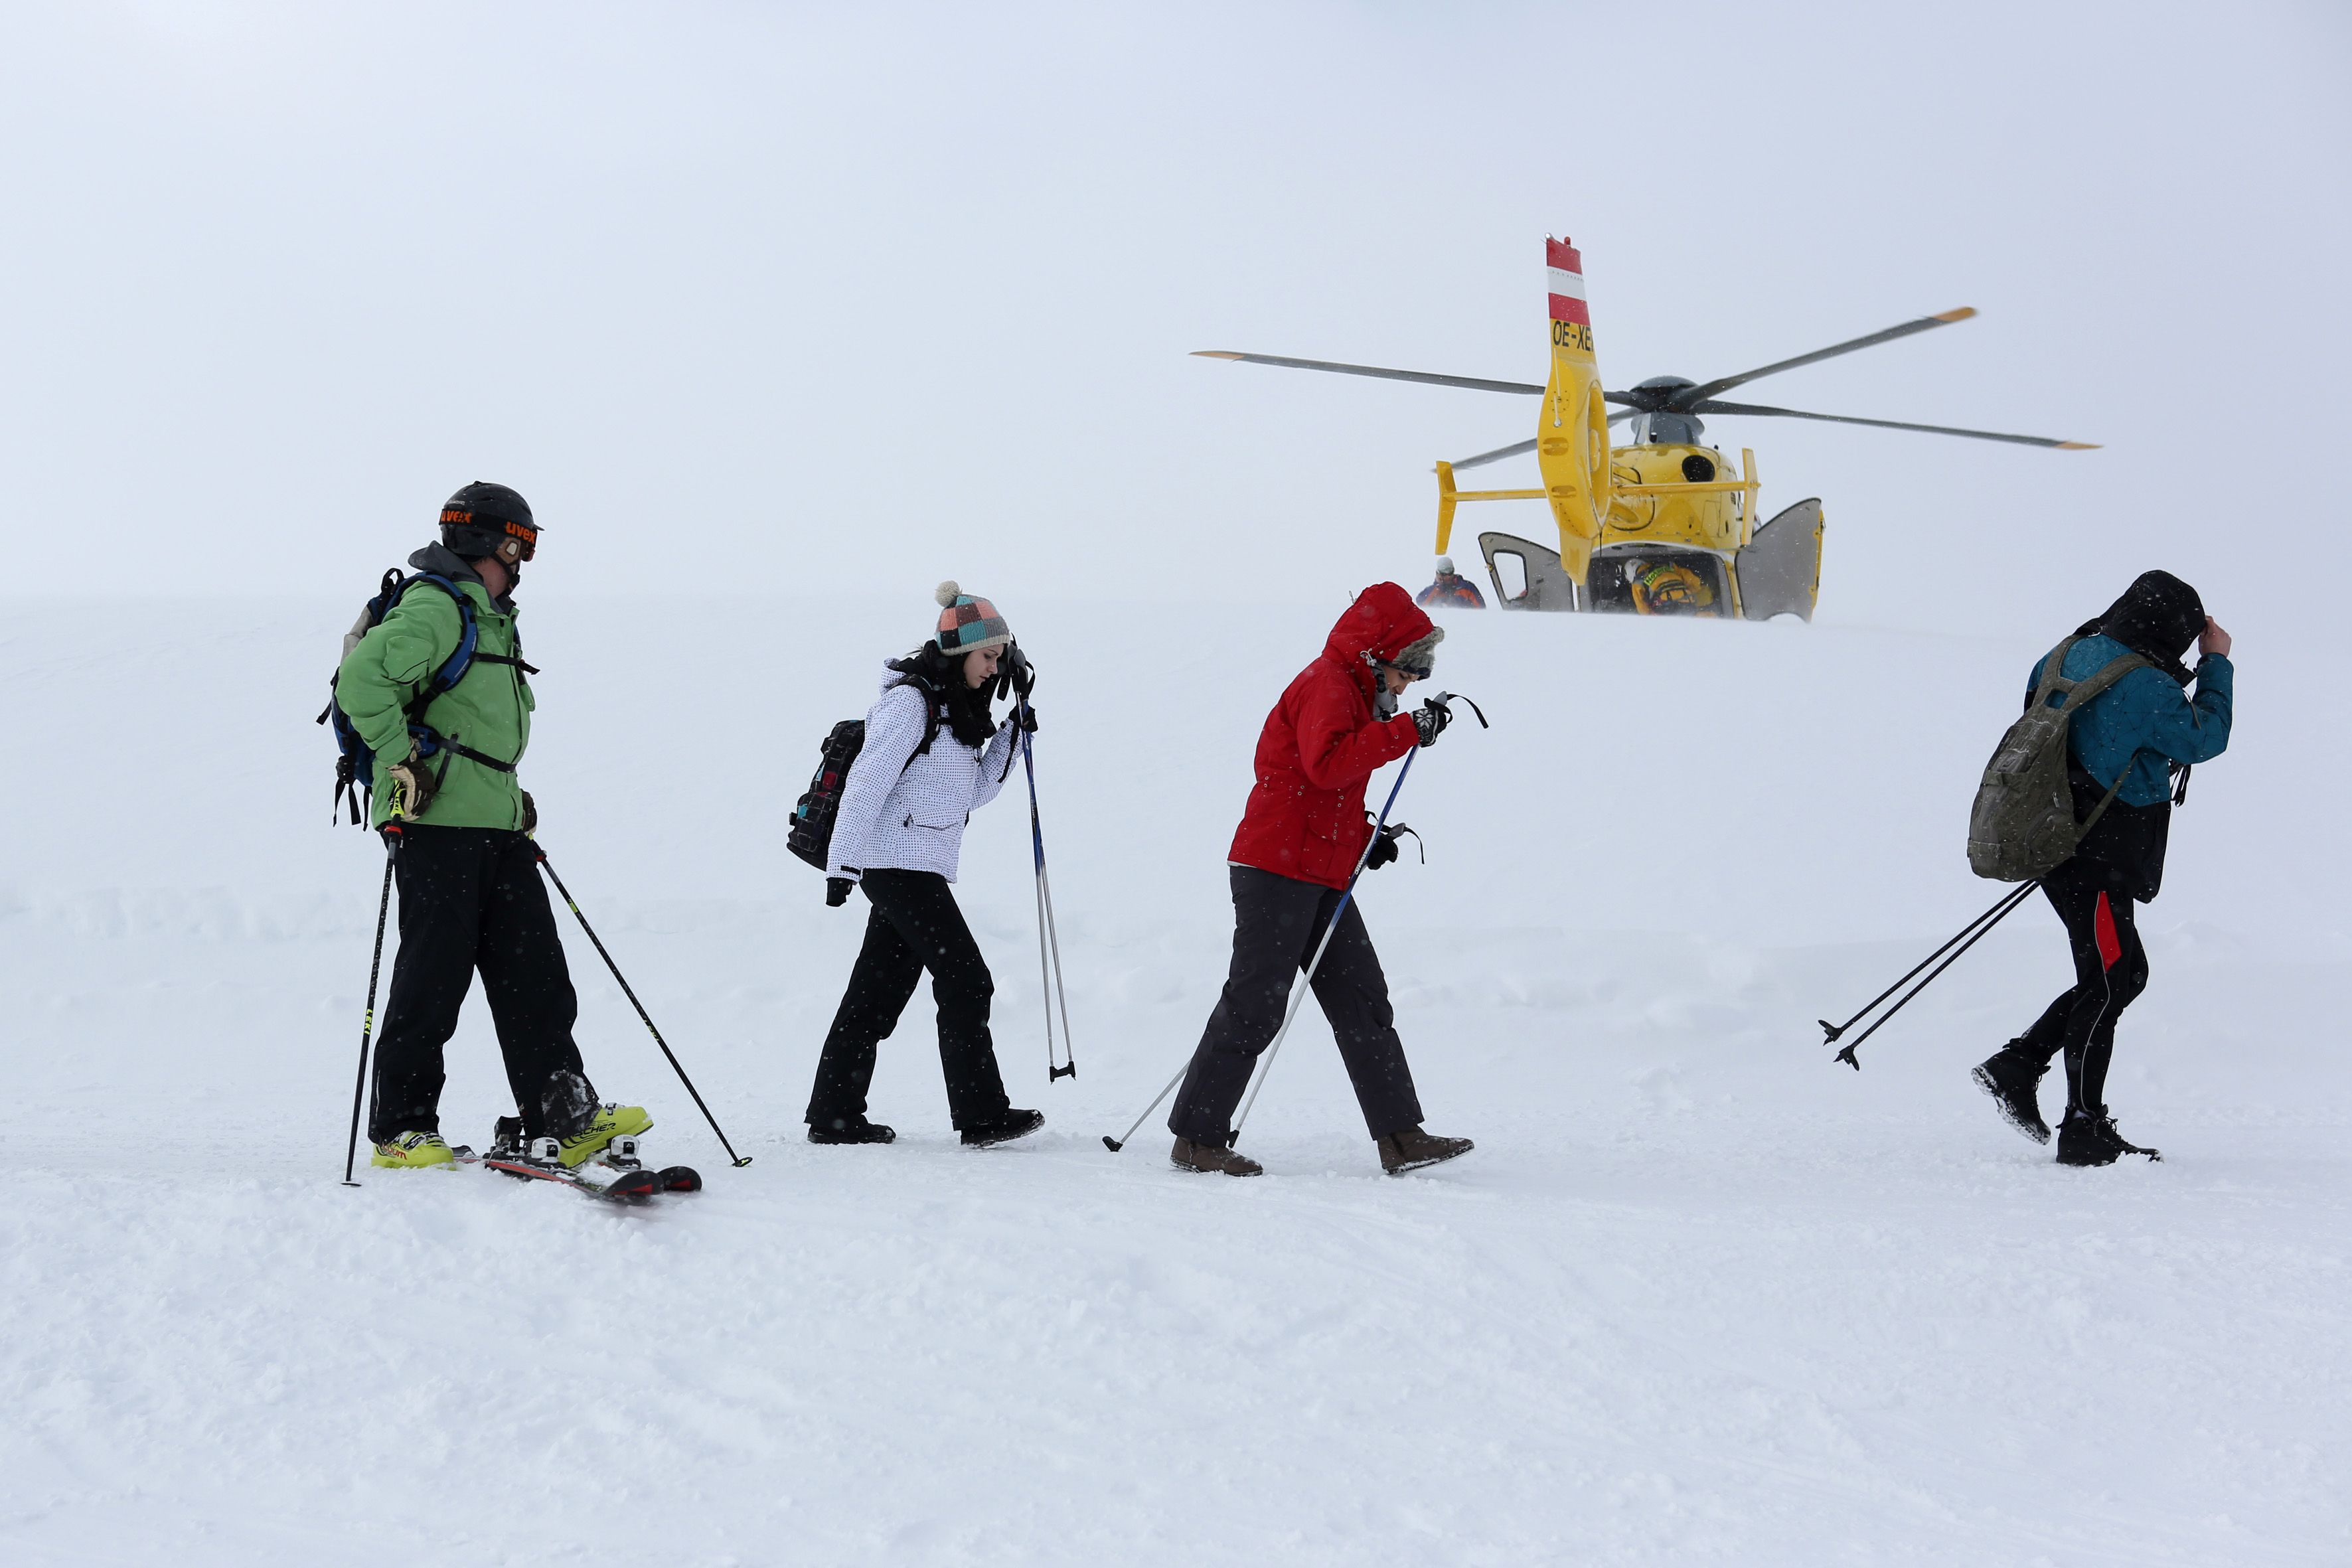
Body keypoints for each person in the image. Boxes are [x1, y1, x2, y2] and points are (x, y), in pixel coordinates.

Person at [335, 482, 648, 1170]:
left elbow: (473, 726)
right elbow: (360, 682)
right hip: (437, 827)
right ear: (487, 541)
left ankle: (561, 1115)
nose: (523, 562)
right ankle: (402, 1127)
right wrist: (398, 759)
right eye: (518, 546)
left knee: (536, 975)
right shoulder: (435, 607)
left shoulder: (491, 616)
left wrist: (509, 793)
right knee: (433, 981)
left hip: (495, 827)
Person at [1166, 583, 1474, 1177]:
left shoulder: (1355, 692)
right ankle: (1197, 1138)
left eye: (1416, 674)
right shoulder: (1328, 684)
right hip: (1274, 870)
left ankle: (1400, 1136)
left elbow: (1321, 791)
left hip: (1320, 870)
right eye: (1405, 671)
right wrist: (1406, 731)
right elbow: (1327, 764)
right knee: (1255, 1004)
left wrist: (1363, 838)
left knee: (1362, 999)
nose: (1408, 684)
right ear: (1374, 655)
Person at [1972, 570, 2233, 1166]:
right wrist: (2214, 663)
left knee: (2119, 974)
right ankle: (2080, 1124)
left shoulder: (2062, 653)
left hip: (2048, 833)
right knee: (2114, 979)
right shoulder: (2145, 684)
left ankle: (2017, 1066)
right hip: (2098, 850)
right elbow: (2204, 738)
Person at [807, 582, 1044, 1148]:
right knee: (966, 981)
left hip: (919, 869)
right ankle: (981, 1115)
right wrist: (841, 865)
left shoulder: (954, 712)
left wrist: (1014, 729)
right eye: (988, 657)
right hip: (893, 867)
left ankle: (834, 1115)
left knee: (875, 995)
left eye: (999, 658)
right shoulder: (910, 703)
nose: (993, 668)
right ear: (960, 652)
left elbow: (974, 794)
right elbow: (866, 781)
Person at [1415, 555, 1486, 610]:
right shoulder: (1432, 591)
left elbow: (1481, 609)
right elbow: (1421, 605)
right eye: (1444, 574)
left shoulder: (1467, 588)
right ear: (1438, 574)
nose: (1448, 577)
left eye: (1450, 573)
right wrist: (1438, 586)